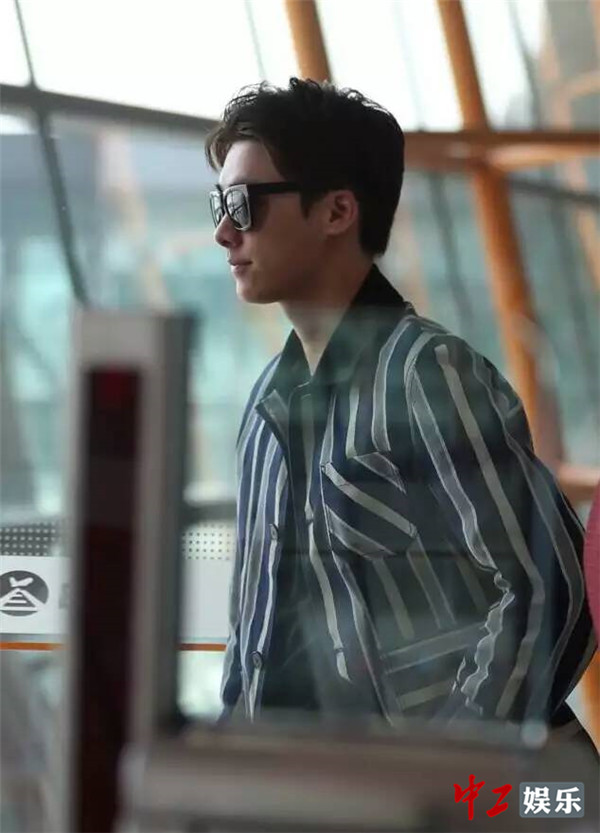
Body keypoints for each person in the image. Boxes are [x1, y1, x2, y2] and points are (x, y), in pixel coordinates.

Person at [206, 78, 596, 735]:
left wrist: (449, 762)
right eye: (219, 203)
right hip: (298, 779)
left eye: (244, 205)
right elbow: (255, 636)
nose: (223, 231)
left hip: (435, 782)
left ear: (337, 211)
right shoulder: (266, 403)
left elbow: (550, 587)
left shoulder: (425, 373)